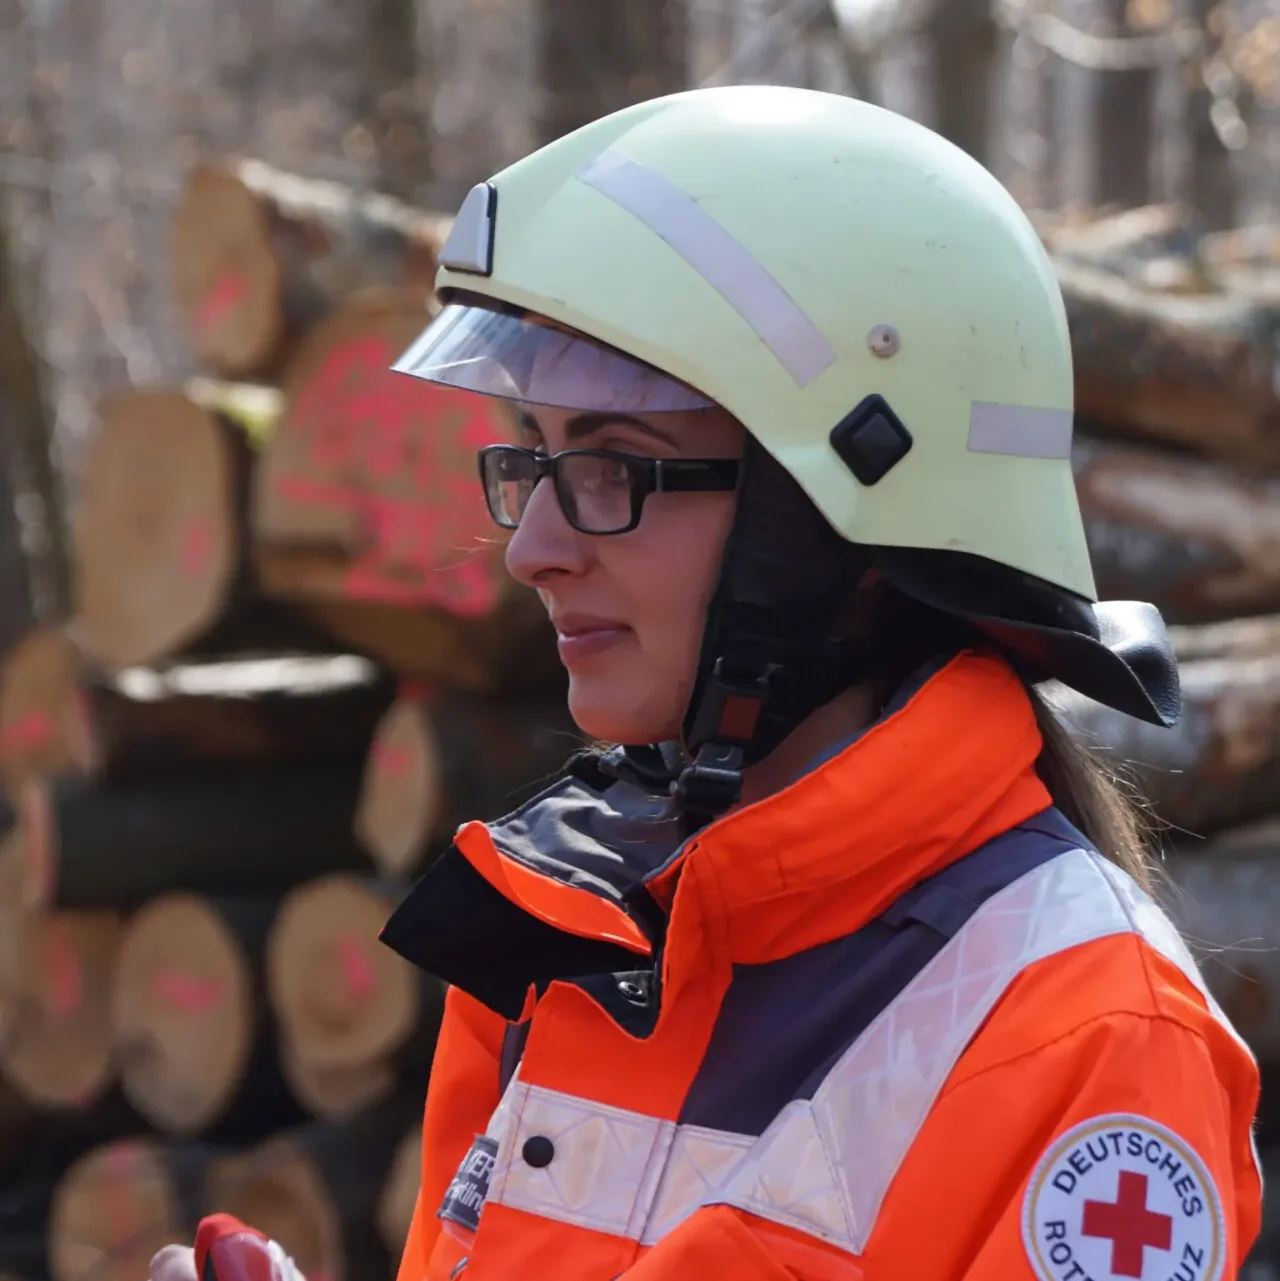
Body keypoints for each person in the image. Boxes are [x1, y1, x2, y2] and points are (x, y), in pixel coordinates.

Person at [152, 85, 1261, 1281]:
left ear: (841, 519)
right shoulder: (572, 930)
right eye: (536, 457)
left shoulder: (1088, 1039)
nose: (532, 548)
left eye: (616, 468)